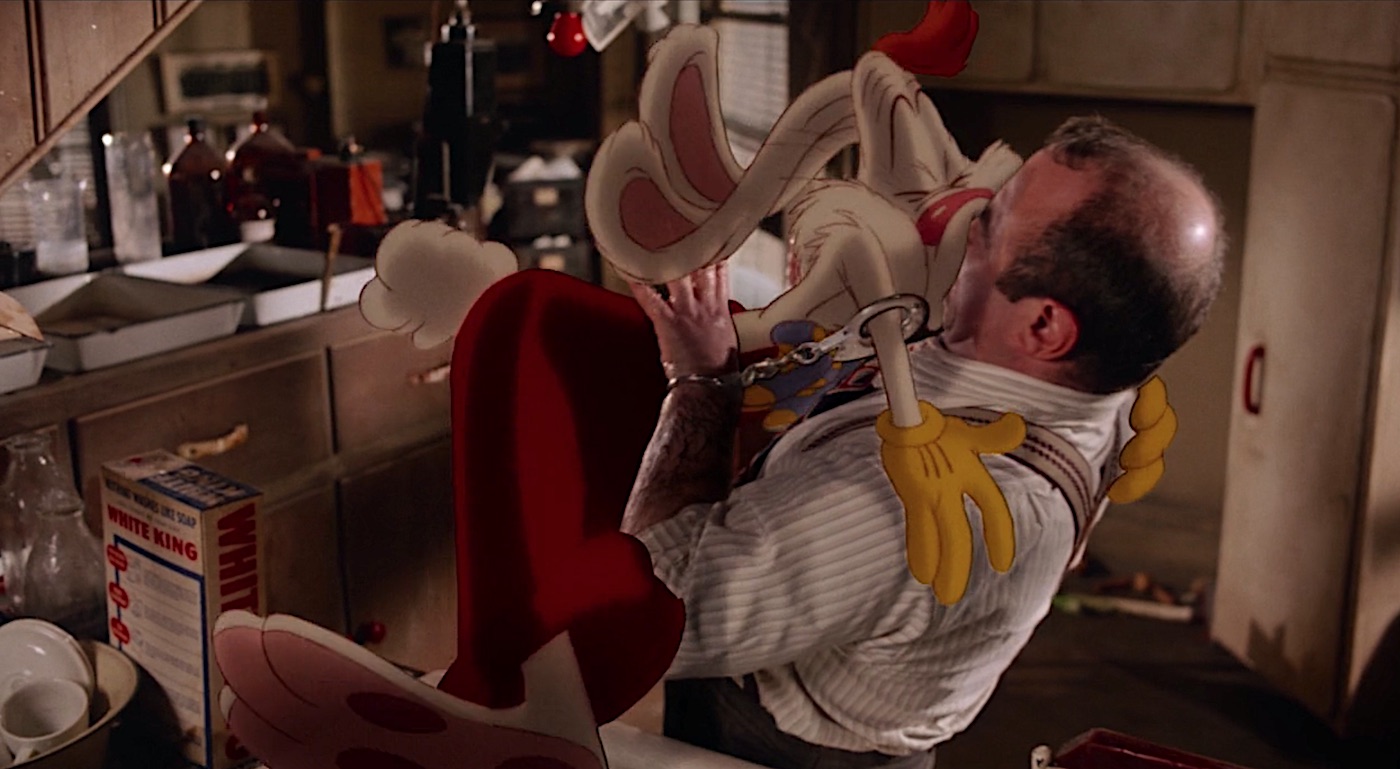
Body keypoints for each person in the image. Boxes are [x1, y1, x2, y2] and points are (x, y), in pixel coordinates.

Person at [621, 115, 1227, 769]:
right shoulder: (1102, 379)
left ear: (1044, 327)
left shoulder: (908, 506)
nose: (956, 218)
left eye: (989, 224)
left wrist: (699, 380)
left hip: (763, 741)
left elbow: (649, 614)